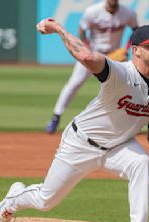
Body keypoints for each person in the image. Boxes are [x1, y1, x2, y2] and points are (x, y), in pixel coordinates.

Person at [0, 16, 149, 222]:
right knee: (45, 200)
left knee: (141, 163)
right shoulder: (121, 74)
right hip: (81, 143)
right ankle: (11, 201)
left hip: (118, 147)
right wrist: (59, 28)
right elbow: (87, 57)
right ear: (136, 50)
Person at [45, 0, 138, 133]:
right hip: (92, 53)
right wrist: (86, 49)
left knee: (123, 88)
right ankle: (56, 117)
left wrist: (126, 49)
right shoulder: (93, 12)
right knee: (74, 84)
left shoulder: (128, 13)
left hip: (114, 56)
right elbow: (81, 30)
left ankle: (125, 123)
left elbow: (136, 30)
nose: (112, 3)